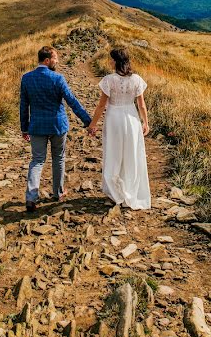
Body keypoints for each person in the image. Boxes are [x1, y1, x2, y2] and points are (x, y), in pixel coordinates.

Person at [20, 45, 92, 212]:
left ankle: (31, 198)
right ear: (47, 60)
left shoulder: (27, 78)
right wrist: (88, 121)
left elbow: (24, 105)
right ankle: (57, 193)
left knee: (37, 161)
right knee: (58, 158)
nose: (57, 61)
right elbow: (72, 101)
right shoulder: (58, 79)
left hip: (36, 126)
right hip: (58, 126)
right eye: (55, 58)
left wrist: (24, 128)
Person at [87, 48, 151, 210]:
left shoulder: (109, 80)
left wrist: (93, 124)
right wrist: (146, 122)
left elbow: (102, 105)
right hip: (131, 117)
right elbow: (141, 105)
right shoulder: (136, 79)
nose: (109, 62)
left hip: (114, 117)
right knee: (131, 154)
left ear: (116, 61)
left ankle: (115, 192)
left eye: (111, 59)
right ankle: (131, 191)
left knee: (113, 153)